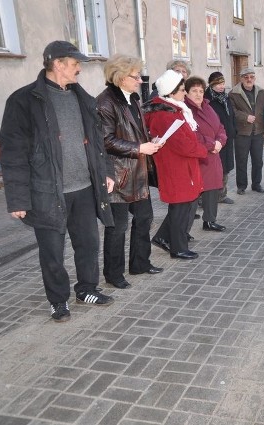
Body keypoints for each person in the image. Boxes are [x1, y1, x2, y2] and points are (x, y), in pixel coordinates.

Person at [0, 40, 116, 322]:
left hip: (85, 189)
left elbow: (98, 143)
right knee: (52, 251)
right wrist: (17, 198)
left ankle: (86, 288)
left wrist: (106, 173)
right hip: (47, 192)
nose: (79, 69)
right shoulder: (24, 100)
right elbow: (13, 153)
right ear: (58, 64)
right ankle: (58, 300)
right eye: (75, 63)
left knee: (88, 244)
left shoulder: (83, 98)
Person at [96, 54, 163, 290]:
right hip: (118, 174)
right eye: (136, 76)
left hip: (138, 171)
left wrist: (149, 141)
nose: (141, 81)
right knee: (118, 227)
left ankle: (140, 263)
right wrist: (139, 147)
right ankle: (113, 274)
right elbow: (105, 140)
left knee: (145, 218)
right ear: (121, 77)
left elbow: (135, 131)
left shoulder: (133, 98)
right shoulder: (105, 103)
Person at [143, 70, 208, 260]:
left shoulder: (173, 109)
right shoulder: (165, 114)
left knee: (182, 206)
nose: (185, 93)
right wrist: (204, 149)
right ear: (171, 92)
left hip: (181, 166)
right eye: (181, 90)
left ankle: (163, 238)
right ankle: (178, 248)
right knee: (180, 208)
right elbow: (184, 145)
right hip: (176, 167)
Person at [184, 76, 227, 233]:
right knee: (193, 195)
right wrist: (212, 144)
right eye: (194, 91)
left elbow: (220, 126)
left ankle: (209, 220)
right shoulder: (186, 110)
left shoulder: (207, 106)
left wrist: (220, 141)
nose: (198, 94)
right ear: (186, 93)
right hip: (198, 156)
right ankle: (184, 230)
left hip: (213, 154)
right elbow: (192, 134)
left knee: (212, 189)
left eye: (201, 91)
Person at [228, 67, 264, 194]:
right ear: (241, 78)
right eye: (246, 77)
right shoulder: (233, 94)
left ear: (254, 78)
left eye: (251, 77)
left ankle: (256, 184)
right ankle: (241, 186)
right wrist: (245, 117)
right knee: (241, 160)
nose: (249, 79)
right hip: (242, 132)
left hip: (258, 132)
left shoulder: (261, 92)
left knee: (258, 161)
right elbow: (232, 111)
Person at [205, 72, 236, 205]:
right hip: (214, 140)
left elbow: (231, 115)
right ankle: (205, 199)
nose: (221, 86)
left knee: (225, 168)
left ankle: (222, 195)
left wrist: (234, 130)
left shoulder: (225, 98)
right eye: (218, 84)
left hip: (227, 138)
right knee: (212, 169)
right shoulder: (207, 100)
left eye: (223, 83)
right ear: (212, 84)